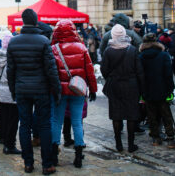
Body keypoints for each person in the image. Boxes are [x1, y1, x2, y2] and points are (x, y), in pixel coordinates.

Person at [7, 9, 60, 175]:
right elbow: (51, 69)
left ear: (23, 21)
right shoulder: (43, 41)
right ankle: (47, 164)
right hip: (41, 89)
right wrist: (56, 89)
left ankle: (28, 163)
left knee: (25, 125)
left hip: (22, 88)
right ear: (36, 21)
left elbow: (11, 70)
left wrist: (13, 90)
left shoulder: (14, 42)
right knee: (44, 126)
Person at [50, 20, 98, 168]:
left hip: (60, 91)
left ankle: (54, 155)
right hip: (77, 90)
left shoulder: (53, 49)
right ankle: (78, 156)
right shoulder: (81, 48)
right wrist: (93, 89)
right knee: (77, 122)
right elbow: (89, 70)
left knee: (57, 121)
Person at [101, 24, 145, 153]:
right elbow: (139, 71)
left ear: (113, 36)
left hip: (115, 84)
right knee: (131, 115)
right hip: (131, 85)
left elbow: (104, 70)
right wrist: (142, 88)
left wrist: (111, 77)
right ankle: (131, 145)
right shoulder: (132, 50)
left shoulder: (108, 51)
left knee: (116, 115)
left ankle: (118, 144)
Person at [139, 33, 175, 147]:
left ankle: (155, 138)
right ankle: (171, 139)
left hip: (147, 90)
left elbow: (140, 75)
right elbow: (168, 74)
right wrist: (170, 89)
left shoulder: (141, 56)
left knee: (152, 115)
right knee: (166, 115)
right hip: (162, 89)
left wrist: (142, 91)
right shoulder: (163, 55)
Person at [0, 30, 21, 155]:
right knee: (13, 117)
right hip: (11, 90)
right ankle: (10, 144)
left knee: (2, 113)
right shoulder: (12, 57)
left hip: (1, 89)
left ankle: (1, 136)